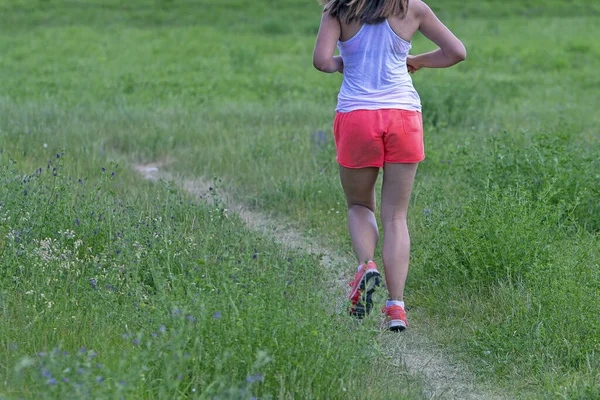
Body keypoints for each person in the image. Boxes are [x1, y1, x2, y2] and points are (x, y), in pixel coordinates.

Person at [313, 0, 466, 331]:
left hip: (357, 117)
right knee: (396, 216)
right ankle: (396, 307)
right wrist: (416, 61)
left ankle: (366, 266)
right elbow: (456, 52)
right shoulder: (413, 8)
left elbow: (322, 61)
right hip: (403, 116)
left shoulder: (337, 8)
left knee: (358, 205)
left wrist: (345, 62)